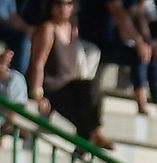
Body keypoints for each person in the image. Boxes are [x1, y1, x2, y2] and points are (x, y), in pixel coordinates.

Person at [26, 0, 112, 149]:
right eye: (59, 3)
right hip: (52, 88)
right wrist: (38, 94)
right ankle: (93, 134)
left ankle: (89, 136)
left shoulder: (72, 27)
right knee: (84, 103)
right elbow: (38, 63)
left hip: (70, 85)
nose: (63, 8)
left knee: (92, 88)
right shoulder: (48, 29)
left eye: (68, 3)